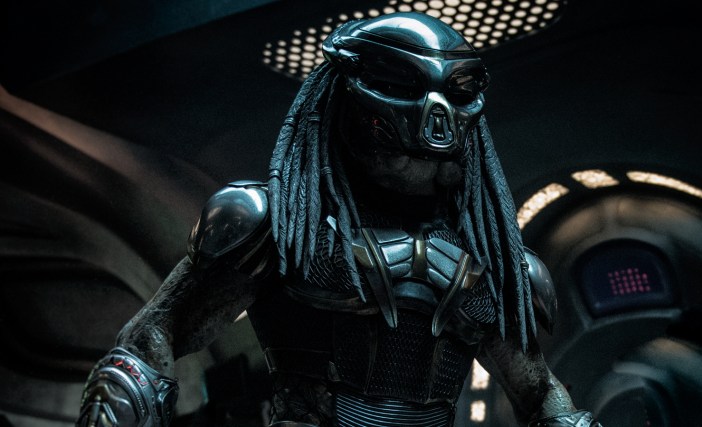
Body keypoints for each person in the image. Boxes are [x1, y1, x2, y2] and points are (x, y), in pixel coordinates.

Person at [78, 12, 601, 427]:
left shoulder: (491, 264)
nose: (437, 111)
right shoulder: (275, 225)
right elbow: (145, 348)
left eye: (455, 90)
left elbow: (540, 394)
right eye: (403, 82)